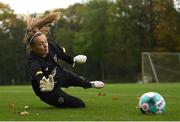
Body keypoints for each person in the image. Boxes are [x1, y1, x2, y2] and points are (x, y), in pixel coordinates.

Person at [23, 12, 104, 108]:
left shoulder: (51, 46)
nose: (45, 46)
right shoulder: (33, 60)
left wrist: (74, 59)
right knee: (79, 104)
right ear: (33, 47)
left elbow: (62, 54)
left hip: (60, 74)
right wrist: (44, 83)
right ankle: (57, 95)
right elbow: (37, 73)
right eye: (40, 44)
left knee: (79, 80)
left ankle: (89, 84)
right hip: (48, 91)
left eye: (45, 41)